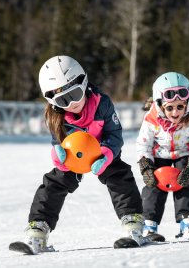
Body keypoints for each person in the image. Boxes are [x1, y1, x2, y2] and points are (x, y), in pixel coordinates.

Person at [25, 55, 143, 252]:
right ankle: (38, 227)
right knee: (54, 182)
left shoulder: (101, 103)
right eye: (63, 100)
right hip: (74, 156)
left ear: (84, 83)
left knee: (119, 175)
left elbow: (115, 134)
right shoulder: (55, 115)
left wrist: (106, 154)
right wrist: (59, 154)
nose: (71, 103)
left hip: (101, 152)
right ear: (53, 102)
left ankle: (133, 222)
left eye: (75, 94)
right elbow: (57, 141)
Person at [136, 72, 189, 239]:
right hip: (159, 155)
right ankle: (148, 225)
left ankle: (187, 221)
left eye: (180, 107)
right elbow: (143, 144)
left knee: (185, 181)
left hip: (183, 154)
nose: (175, 113)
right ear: (161, 105)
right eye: (169, 108)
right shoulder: (151, 120)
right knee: (154, 184)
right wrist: (146, 165)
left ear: (188, 103)